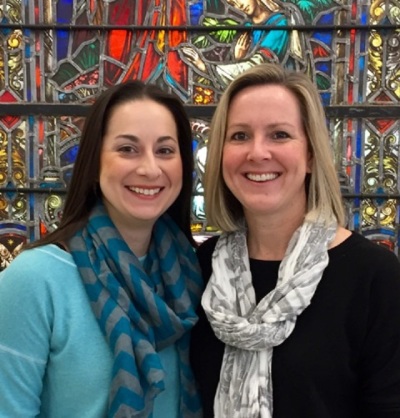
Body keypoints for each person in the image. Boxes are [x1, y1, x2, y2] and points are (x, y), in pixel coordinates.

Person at [190, 63, 400, 417]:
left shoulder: (373, 276)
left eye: (280, 135)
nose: (257, 152)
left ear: (311, 155)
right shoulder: (201, 266)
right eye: (239, 135)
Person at [0, 81, 203, 417]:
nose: (150, 168)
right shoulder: (35, 280)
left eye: (165, 151)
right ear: (95, 162)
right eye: (127, 149)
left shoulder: (192, 276)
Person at [181, 0, 299, 88]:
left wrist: (205, 67)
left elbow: (258, 66)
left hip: (277, 95)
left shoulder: (280, 24)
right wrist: (238, 58)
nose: (239, 5)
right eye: (233, 3)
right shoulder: (247, 28)